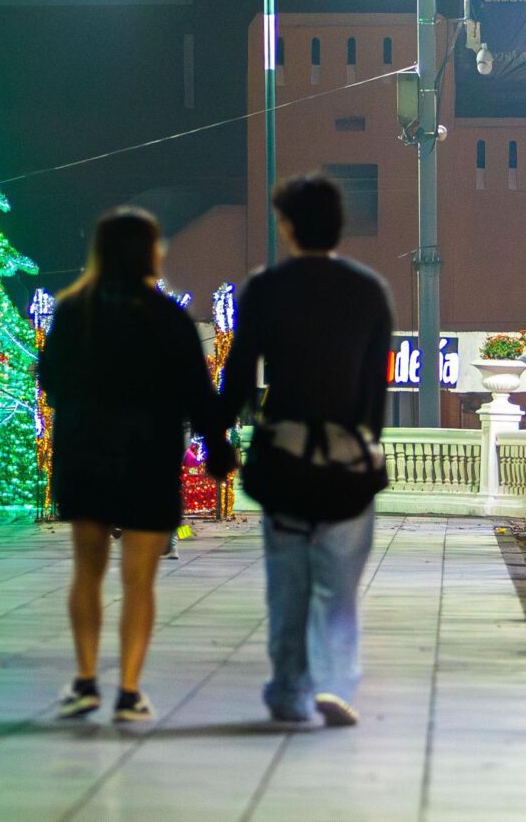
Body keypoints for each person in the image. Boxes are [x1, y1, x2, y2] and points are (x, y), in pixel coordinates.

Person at [36, 208, 234, 723]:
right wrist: (217, 447)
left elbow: (50, 381)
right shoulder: (166, 317)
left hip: (85, 456)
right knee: (139, 581)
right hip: (149, 458)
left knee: (87, 573)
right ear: (150, 253)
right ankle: (127, 690)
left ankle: (85, 681)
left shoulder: (74, 311)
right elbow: (197, 390)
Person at [217, 174, 394, 728]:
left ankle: (292, 689)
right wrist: (365, 443)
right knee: (337, 586)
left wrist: (219, 438)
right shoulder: (369, 291)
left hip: (286, 461)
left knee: (288, 584)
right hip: (347, 466)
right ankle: (336, 682)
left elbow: (239, 377)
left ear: (287, 227)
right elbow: (374, 388)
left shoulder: (266, 289)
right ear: (339, 227)